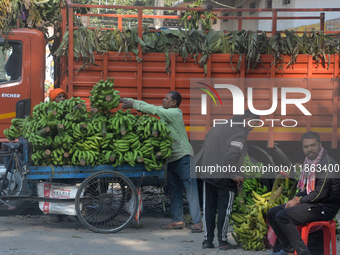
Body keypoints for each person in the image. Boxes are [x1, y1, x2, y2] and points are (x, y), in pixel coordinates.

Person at [120, 91, 203, 232]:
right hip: (171, 158)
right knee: (174, 190)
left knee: (191, 190)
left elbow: (154, 109)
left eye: (166, 98)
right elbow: (149, 105)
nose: (163, 100)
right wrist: (125, 99)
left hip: (184, 156)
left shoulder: (176, 113)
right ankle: (177, 220)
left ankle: (197, 223)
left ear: (174, 102)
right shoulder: (165, 115)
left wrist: (134, 104)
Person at [267, 131, 340, 255]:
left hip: (324, 207)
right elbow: (304, 187)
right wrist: (296, 198)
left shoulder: (327, 163)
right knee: (272, 213)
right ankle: (289, 249)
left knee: (283, 216)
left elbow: (320, 193)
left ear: (320, 144)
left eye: (313, 145)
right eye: (306, 146)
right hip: (312, 203)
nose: (309, 149)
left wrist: (299, 201)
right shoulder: (308, 162)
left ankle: (303, 252)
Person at [199, 109, 259, 250]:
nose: (252, 128)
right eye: (253, 124)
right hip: (225, 178)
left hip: (208, 173)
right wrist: (233, 174)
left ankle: (207, 241)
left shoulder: (220, 124)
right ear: (248, 119)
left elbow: (206, 140)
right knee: (225, 210)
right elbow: (232, 155)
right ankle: (223, 241)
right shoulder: (240, 133)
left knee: (209, 208)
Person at [48, 88, 71, 222]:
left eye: (63, 97)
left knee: (67, 184)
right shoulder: (49, 112)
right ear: (53, 99)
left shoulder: (68, 113)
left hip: (66, 151)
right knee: (53, 183)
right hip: (54, 152)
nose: (62, 99)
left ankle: (64, 213)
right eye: (59, 97)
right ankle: (53, 213)